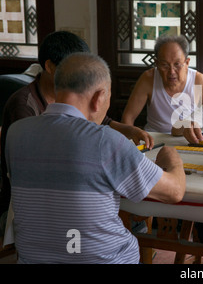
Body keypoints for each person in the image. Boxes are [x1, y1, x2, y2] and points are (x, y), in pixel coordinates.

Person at [5, 52, 186, 264]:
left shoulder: (16, 133)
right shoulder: (104, 140)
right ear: (100, 97)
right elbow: (174, 192)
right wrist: (171, 157)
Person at [0, 31, 153, 228]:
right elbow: (41, 160)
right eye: (72, 68)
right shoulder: (23, 105)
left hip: (65, 188)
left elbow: (101, 120)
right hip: (32, 202)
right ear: (49, 66)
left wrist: (130, 131)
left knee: (128, 212)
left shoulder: (70, 94)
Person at [121, 35, 203, 135]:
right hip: (155, 138)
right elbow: (128, 118)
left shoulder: (198, 80)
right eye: (165, 65)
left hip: (191, 139)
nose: (172, 72)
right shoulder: (148, 79)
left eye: (177, 64)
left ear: (187, 63)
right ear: (156, 63)